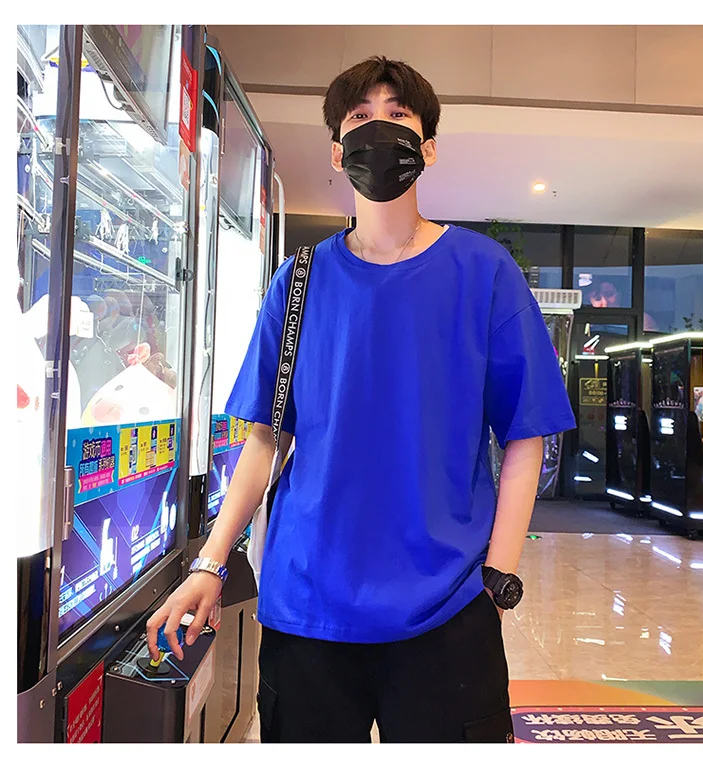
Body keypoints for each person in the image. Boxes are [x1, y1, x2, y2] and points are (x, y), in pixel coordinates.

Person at [147, 55, 576, 743]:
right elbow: (267, 438)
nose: (380, 129)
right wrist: (210, 563)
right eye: (360, 117)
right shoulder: (299, 281)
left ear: (428, 148)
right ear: (336, 150)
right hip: (308, 609)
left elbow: (527, 431)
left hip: (447, 611)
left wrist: (498, 575)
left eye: (398, 115)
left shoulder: (484, 272)